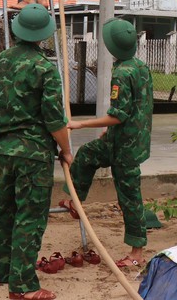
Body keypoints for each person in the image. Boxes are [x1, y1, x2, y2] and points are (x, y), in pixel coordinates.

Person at [0, 4, 72, 300]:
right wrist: (66, 150)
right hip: (34, 155)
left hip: (5, 151)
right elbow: (55, 120)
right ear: (43, 36)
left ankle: (5, 272)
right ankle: (23, 286)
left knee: (5, 212)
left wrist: (8, 129)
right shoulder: (44, 68)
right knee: (30, 217)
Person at [59, 18, 153, 268]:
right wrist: (108, 133)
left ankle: (137, 253)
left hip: (126, 148)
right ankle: (75, 202)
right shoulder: (140, 66)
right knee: (88, 153)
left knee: (129, 197)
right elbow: (136, 108)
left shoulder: (122, 74)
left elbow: (118, 115)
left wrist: (81, 124)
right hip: (127, 139)